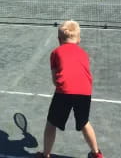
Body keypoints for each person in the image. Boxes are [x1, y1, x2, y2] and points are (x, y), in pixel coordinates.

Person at [36, 21, 104, 158]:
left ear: (59, 40)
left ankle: (46, 155)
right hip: (85, 91)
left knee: (51, 124)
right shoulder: (84, 54)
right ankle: (96, 154)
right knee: (84, 122)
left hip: (64, 92)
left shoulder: (55, 52)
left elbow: (56, 81)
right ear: (79, 39)